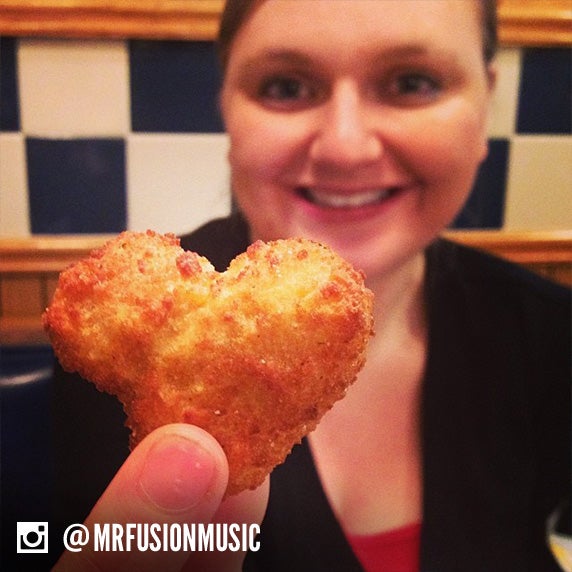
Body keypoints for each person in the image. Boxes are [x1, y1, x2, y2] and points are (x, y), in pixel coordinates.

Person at [5, 1, 569, 570]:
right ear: (226, 108)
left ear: (486, 103)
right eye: (285, 86)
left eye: (412, 82)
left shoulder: (551, 339)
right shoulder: (133, 354)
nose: (345, 147)